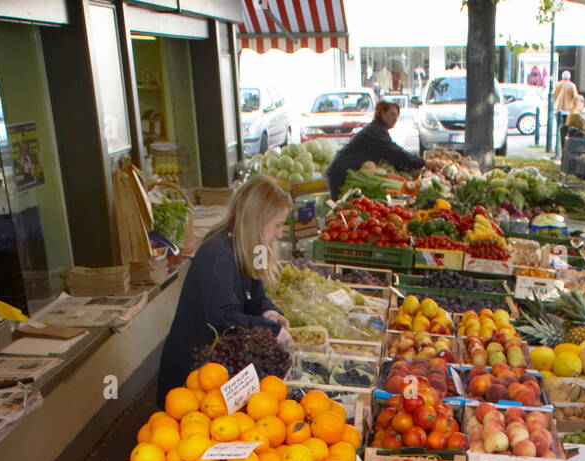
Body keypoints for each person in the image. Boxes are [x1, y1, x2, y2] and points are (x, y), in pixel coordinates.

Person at [157, 176, 293, 405]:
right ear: (257, 220)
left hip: (220, 368)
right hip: (193, 381)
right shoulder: (217, 252)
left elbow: (258, 293)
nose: (280, 234)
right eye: (277, 225)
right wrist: (271, 330)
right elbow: (222, 316)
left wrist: (270, 311)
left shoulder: (256, 248)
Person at [325, 100, 424, 200]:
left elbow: (389, 154)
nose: (395, 119)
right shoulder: (375, 131)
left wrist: (408, 168)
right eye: (392, 114)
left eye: (397, 116)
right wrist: (421, 162)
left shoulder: (377, 129)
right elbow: (394, 152)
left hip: (344, 171)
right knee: (341, 206)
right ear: (382, 113)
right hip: (340, 174)